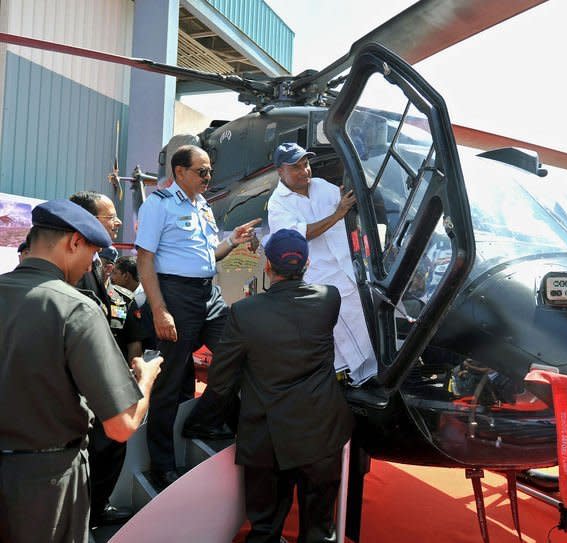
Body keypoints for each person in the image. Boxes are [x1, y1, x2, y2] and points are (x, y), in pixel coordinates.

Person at [0, 199, 162, 543]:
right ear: (75, 242)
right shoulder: (76, 309)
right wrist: (144, 380)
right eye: (93, 251)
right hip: (45, 485)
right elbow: (122, 425)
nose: (94, 263)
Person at [204, 229, 354, 543]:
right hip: (321, 432)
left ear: (267, 266)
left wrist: (207, 421)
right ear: (308, 263)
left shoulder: (245, 312)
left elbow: (221, 379)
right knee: (319, 530)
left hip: (266, 437)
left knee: (264, 528)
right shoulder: (329, 299)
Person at [135, 144, 258, 488]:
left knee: (237, 355)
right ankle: (163, 464)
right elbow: (145, 260)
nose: (208, 177)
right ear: (180, 173)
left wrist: (232, 240)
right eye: (202, 171)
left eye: (210, 171)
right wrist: (159, 309)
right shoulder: (158, 205)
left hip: (209, 294)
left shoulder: (203, 205)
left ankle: (203, 421)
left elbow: (208, 256)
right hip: (175, 295)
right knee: (170, 383)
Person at [69, 191, 150, 525]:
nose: (117, 222)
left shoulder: (101, 267)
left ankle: (95, 510)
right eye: (110, 216)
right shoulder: (73, 271)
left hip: (104, 380)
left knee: (110, 450)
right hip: (81, 383)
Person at [267, 142, 377, 385]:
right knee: (347, 341)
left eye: (305, 164)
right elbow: (300, 235)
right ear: (280, 172)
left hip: (351, 269)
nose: (304, 171)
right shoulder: (277, 204)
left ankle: (375, 377)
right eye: (296, 167)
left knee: (370, 330)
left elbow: (346, 203)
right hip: (323, 278)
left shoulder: (322, 187)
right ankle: (360, 384)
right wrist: (338, 213)